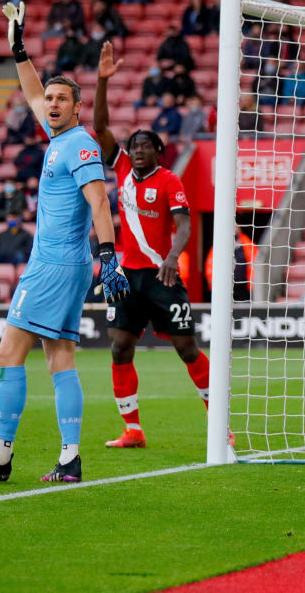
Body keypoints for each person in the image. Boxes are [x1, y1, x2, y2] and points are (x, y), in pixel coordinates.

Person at [0, 2, 130, 485]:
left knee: (8, 353)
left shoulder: (79, 145)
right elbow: (29, 90)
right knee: (60, 358)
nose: (49, 103)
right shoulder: (60, 137)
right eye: (47, 98)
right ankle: (70, 459)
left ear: (75, 105)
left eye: (59, 99)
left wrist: (108, 255)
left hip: (53, 265)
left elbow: (99, 202)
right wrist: (19, 49)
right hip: (64, 266)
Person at [91, 42, 224, 449]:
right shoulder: (124, 170)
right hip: (126, 276)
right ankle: (132, 429)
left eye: (145, 146)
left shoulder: (170, 181)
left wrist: (171, 257)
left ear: (158, 151)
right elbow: (99, 129)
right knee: (119, 345)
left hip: (161, 275)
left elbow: (183, 225)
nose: (137, 151)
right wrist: (101, 82)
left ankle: (219, 423)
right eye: (133, 146)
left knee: (186, 348)